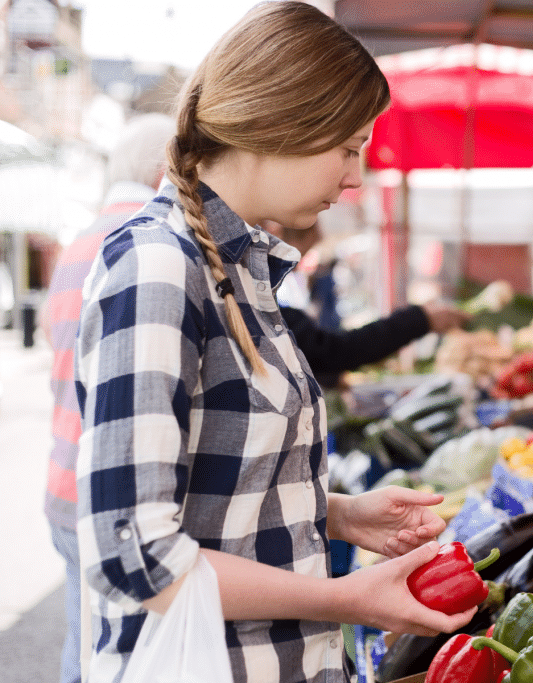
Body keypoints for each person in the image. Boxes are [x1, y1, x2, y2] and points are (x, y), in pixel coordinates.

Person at [74, 5, 475, 683]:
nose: (355, 178)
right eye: (348, 148)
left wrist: (339, 515)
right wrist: (347, 598)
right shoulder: (158, 267)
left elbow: (216, 487)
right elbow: (135, 549)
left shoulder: (242, 268)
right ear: (280, 123)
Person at [40, 112, 177, 683]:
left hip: (64, 480)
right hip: (110, 497)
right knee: (117, 659)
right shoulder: (145, 239)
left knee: (89, 649)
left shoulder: (79, 241)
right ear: (161, 170)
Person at [264, 219, 469, 388]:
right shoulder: (260, 304)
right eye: (307, 249)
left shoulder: (266, 299)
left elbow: (319, 350)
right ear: (276, 233)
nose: (301, 261)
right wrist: (419, 320)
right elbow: (332, 350)